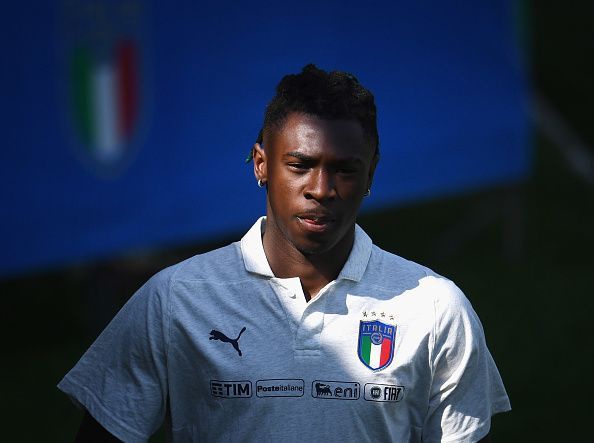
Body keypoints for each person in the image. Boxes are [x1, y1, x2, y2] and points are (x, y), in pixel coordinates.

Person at [59, 64, 510, 442]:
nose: (321, 189)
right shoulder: (175, 299)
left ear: (371, 174)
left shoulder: (434, 308)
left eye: (344, 170)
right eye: (300, 165)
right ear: (261, 164)